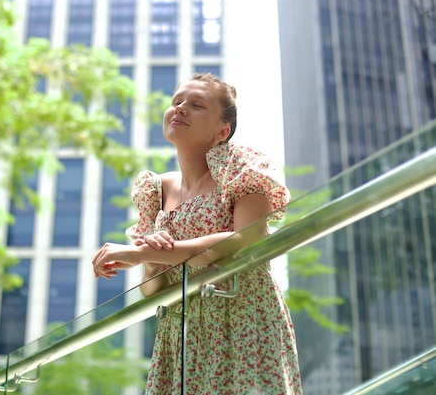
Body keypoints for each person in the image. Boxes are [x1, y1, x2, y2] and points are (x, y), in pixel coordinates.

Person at [92, 73, 302, 395]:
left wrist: (141, 252)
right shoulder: (155, 189)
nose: (180, 109)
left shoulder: (240, 166)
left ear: (222, 131)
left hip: (242, 317)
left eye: (196, 105)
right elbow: (154, 288)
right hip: (182, 332)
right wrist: (152, 257)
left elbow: (245, 238)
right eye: (176, 101)